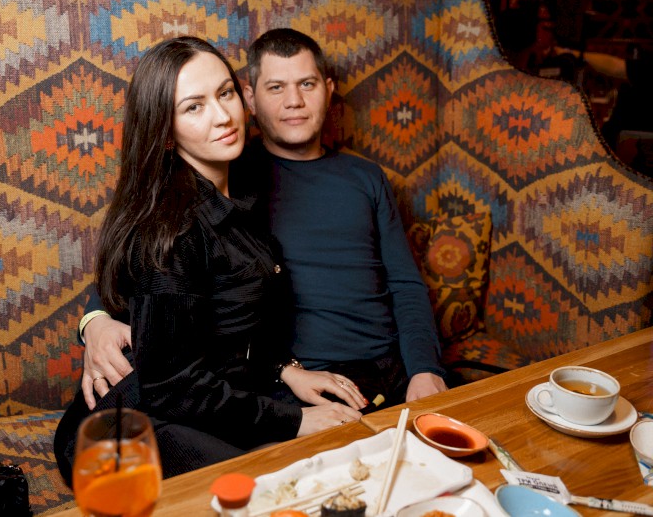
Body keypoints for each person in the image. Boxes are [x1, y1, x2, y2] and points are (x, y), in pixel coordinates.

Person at [76, 29, 447, 412]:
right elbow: (150, 257)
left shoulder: (366, 177)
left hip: (393, 367)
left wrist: (425, 368)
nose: (294, 101)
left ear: (328, 90)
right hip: (299, 377)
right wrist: (96, 320)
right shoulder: (227, 171)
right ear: (251, 98)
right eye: (276, 87)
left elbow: (405, 283)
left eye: (307, 84)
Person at [56, 36, 361, 482]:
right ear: (165, 131)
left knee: (343, 453)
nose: (222, 116)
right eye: (194, 107)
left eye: (225, 93)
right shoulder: (171, 230)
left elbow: (231, 333)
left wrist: (285, 372)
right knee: (267, 486)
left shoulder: (240, 193)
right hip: (133, 425)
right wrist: (293, 420)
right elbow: (171, 386)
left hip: (207, 398)